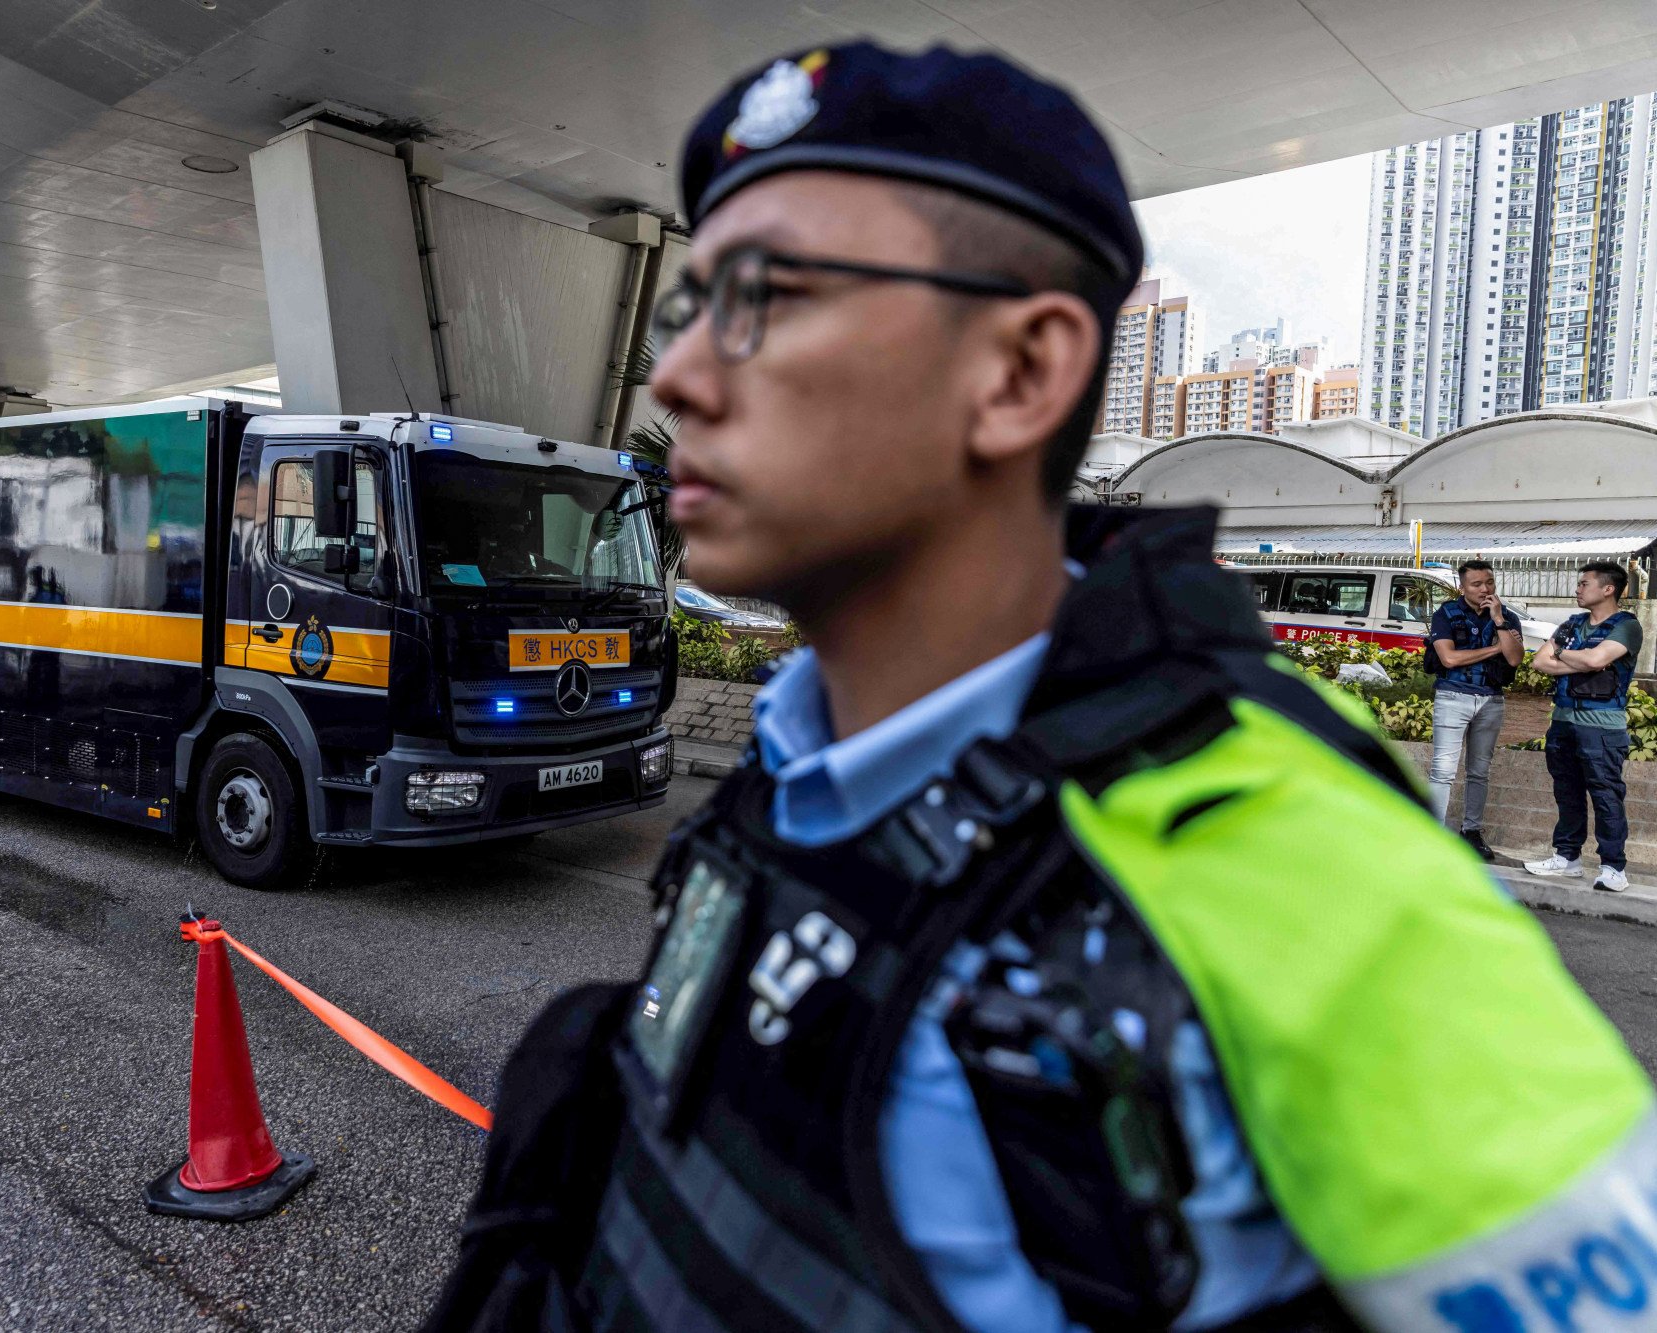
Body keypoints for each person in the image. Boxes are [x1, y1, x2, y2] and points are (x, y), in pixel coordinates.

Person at [424, 43, 1656, 1333]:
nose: (675, 379)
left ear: (1016, 374)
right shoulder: (807, 748)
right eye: (682, 316)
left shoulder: (1299, 865)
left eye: (766, 300)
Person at [1524, 561, 1644, 892]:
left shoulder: (1627, 626)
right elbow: (1539, 661)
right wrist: (1581, 658)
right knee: (1567, 793)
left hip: (1602, 727)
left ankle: (1613, 868)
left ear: (1608, 589)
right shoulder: (1573, 623)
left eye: (1584, 583)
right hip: (1562, 722)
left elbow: (1595, 661)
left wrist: (1564, 653)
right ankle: (1567, 858)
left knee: (1606, 796)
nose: (1578, 589)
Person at [1424, 560, 1523, 858]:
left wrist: (1499, 621)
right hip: (1453, 696)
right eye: (1476, 584)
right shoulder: (1446, 614)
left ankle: (1471, 833)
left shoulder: (1507, 617)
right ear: (1463, 587)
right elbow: (1449, 659)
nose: (1485, 589)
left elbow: (1516, 659)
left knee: (1479, 771)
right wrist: (1496, 648)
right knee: (1443, 770)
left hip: (1492, 699)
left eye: (1489, 582)